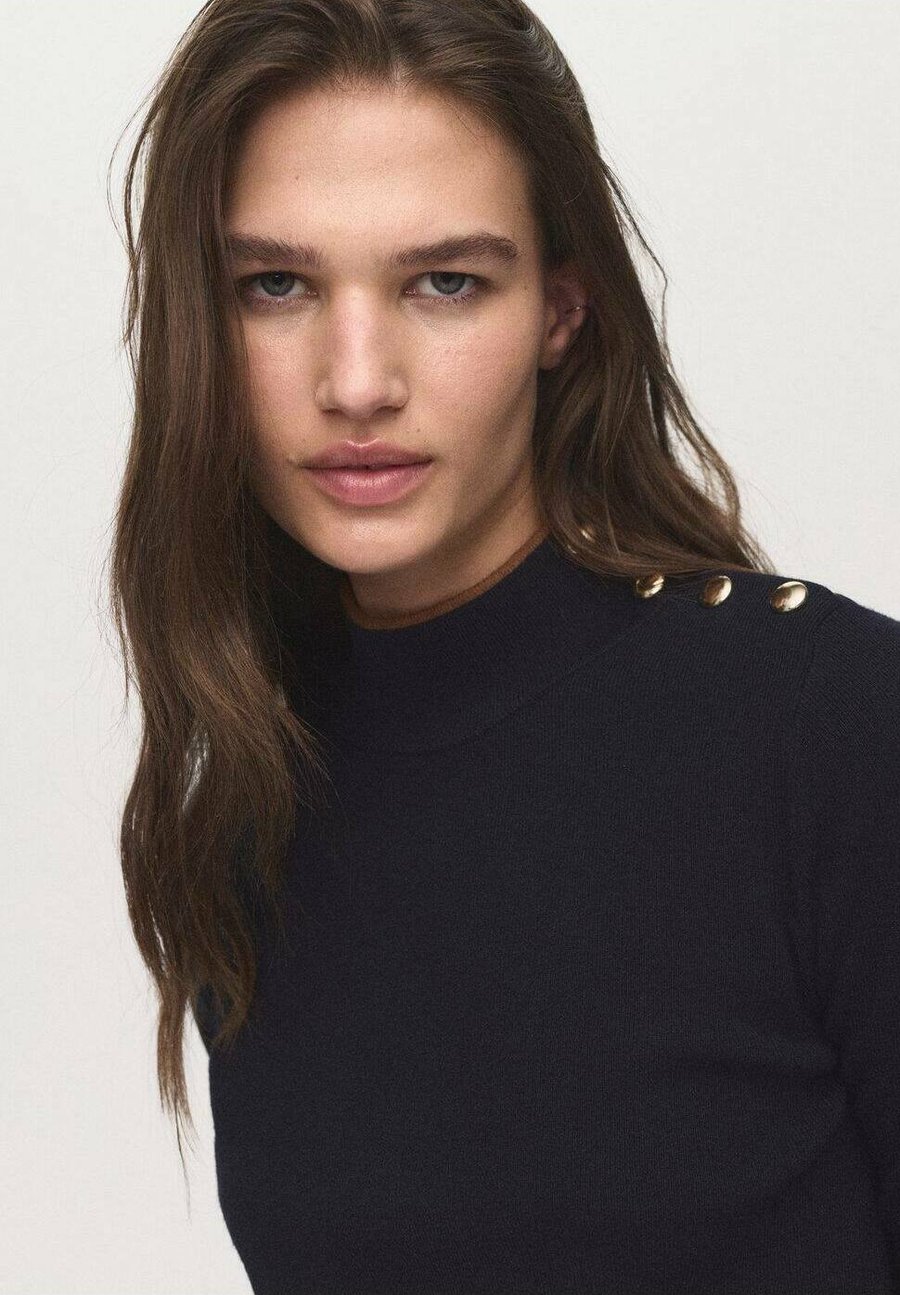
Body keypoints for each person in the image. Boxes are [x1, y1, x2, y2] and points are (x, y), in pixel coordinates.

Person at [107, 1, 900, 1291]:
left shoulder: (835, 732)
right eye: (276, 286)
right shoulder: (252, 809)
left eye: (445, 283)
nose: (357, 381)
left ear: (561, 311)